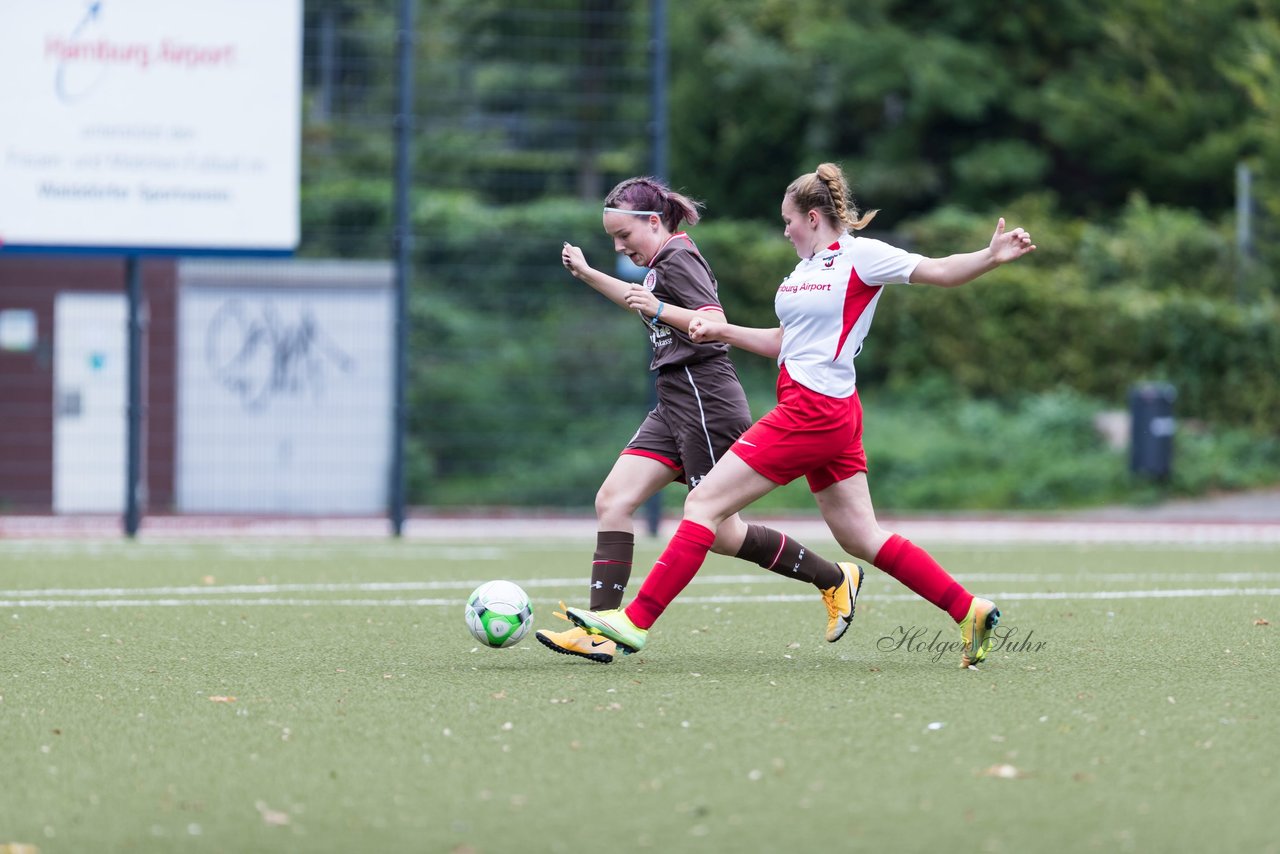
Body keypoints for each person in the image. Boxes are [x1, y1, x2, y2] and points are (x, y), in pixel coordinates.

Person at [566, 162, 1037, 668]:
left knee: (703, 506)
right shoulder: (803, 272)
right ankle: (968, 610)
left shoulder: (862, 255)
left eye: (788, 220)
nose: (784, 229)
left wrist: (989, 257)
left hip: (815, 411)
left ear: (813, 217)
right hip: (824, 408)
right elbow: (782, 342)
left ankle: (633, 622)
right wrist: (721, 332)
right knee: (860, 536)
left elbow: (940, 272)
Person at [536, 175, 863, 664]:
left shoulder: (680, 256)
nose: (620, 246)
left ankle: (833, 578)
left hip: (706, 398)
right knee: (613, 500)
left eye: (624, 237)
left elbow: (708, 320)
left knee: (724, 532)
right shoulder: (660, 263)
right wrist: (588, 273)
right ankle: (599, 630)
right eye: (612, 240)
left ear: (654, 222)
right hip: (674, 400)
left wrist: (660, 307)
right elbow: (642, 303)